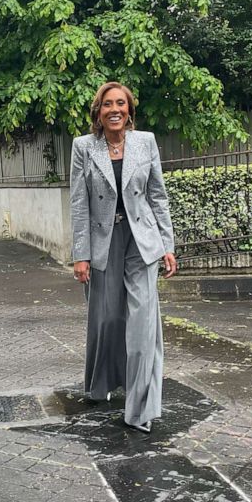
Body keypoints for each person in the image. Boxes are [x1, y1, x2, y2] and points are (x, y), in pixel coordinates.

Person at [70, 82, 177, 431]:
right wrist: (80, 254)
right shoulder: (84, 147)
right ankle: (102, 384)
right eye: (107, 104)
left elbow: (157, 195)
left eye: (121, 104)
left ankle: (140, 409)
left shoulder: (145, 142)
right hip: (103, 242)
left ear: (129, 110)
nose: (114, 109)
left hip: (142, 242)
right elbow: (79, 204)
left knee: (143, 326)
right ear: (98, 112)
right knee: (108, 319)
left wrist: (167, 244)